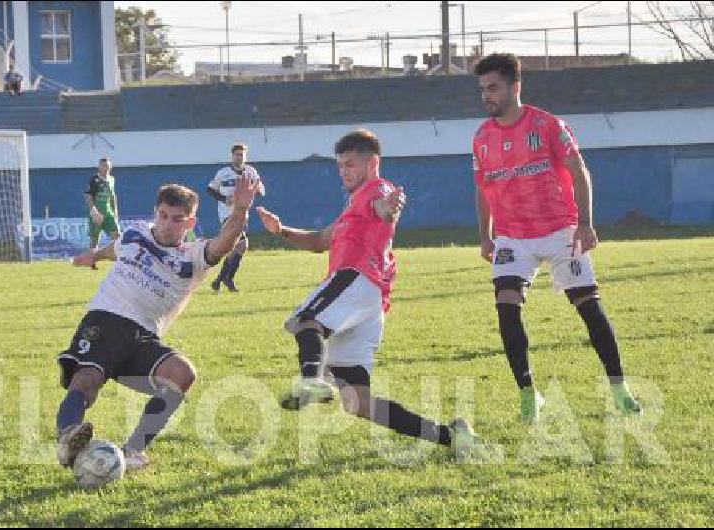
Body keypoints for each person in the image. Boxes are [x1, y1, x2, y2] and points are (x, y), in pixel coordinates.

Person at [257, 129, 481, 452]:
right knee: (357, 402)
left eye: (349, 165)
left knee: (307, 321)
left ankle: (310, 379)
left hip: (356, 280)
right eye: (340, 167)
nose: (344, 172)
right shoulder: (352, 208)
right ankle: (452, 436)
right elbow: (321, 240)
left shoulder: (376, 190)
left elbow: (385, 207)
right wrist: (281, 231)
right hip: (368, 301)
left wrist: (390, 207)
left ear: (372, 162)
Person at [471, 53, 642, 424]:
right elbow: (483, 189)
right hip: (513, 238)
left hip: (561, 229)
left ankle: (619, 388)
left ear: (515, 87)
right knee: (506, 307)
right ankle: (529, 394)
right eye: (483, 89)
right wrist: (485, 235)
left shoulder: (548, 125)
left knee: (589, 307)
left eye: (493, 88)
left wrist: (585, 223)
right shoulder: (482, 137)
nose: (487, 96)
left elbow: (580, 172)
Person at [55, 175, 260, 471]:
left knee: (181, 374)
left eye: (177, 219)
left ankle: (134, 451)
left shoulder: (194, 256)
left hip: (145, 337)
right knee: (87, 379)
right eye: (163, 215)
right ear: (155, 213)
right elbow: (115, 248)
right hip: (107, 318)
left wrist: (240, 210)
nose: (166, 224)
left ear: (189, 224)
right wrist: (93, 255)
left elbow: (224, 242)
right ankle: (68, 436)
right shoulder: (135, 234)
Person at [207, 143, 265, 292]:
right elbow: (210, 189)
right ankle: (228, 279)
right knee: (242, 244)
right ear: (232, 156)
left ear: (246, 156)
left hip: (243, 213)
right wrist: (224, 199)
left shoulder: (251, 172)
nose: (239, 157)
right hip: (227, 214)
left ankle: (219, 280)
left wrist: (256, 190)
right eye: (237, 154)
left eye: (242, 154)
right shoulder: (223, 172)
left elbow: (261, 189)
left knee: (235, 247)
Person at [85, 157, 120, 250]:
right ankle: (91, 262)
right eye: (103, 166)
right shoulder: (94, 179)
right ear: (99, 167)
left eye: (107, 166)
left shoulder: (112, 179)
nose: (106, 168)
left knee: (117, 237)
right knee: (95, 240)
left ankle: (119, 260)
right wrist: (93, 211)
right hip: (97, 214)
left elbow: (113, 196)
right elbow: (88, 195)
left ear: (110, 167)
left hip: (108, 214)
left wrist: (115, 211)